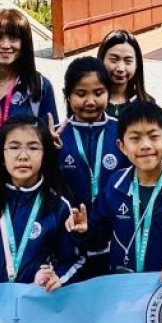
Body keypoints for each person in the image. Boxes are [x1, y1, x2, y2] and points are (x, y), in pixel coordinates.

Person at [70, 100, 162, 277]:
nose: (145, 145)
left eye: (153, 136)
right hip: (124, 286)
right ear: (122, 147)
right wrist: (84, 231)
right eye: (135, 138)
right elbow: (99, 236)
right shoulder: (115, 184)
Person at [0, 116, 82, 289]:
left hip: (37, 301)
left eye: (33, 148)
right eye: (14, 147)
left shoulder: (58, 207)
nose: (23, 156)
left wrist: (56, 277)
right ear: (2, 155)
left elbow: (73, 260)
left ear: (45, 155)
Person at [55, 57, 129, 224]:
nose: (90, 102)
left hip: (115, 225)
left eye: (98, 93)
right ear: (67, 95)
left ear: (109, 92)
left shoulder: (122, 131)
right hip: (68, 226)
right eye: (81, 94)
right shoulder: (55, 136)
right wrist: (46, 149)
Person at [0, 7, 58, 124]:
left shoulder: (40, 86)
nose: (5, 45)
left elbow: (51, 131)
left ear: (25, 43)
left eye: (13, 38)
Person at [97, 29, 151, 122]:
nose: (121, 68)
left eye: (128, 61)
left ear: (136, 65)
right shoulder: (90, 104)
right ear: (101, 60)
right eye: (114, 60)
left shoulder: (147, 105)